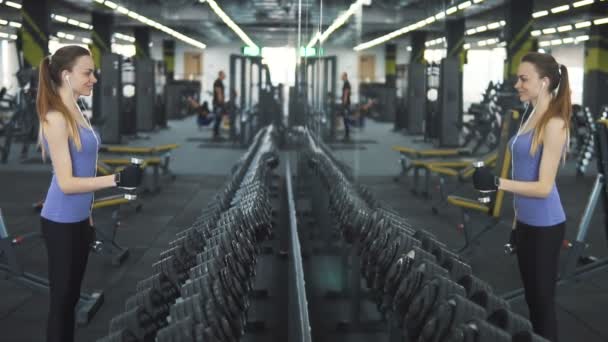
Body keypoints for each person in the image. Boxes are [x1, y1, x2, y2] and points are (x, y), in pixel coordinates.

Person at [36, 45, 143, 342]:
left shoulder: (78, 110)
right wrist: (117, 179)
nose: (94, 78)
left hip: (79, 220)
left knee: (70, 301)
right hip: (59, 221)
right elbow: (67, 182)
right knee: (62, 303)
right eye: (88, 72)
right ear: (66, 75)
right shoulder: (56, 117)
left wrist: (88, 218)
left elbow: (84, 169)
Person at [472, 52, 571, 342]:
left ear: (544, 82)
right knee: (532, 301)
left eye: (523, 79)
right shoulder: (529, 114)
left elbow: (542, 187)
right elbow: (523, 174)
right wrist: (516, 226)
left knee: (542, 306)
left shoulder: (554, 123)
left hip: (546, 225)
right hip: (527, 223)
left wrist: (496, 182)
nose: (517, 84)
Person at [212, 71, 226, 140]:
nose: (225, 76)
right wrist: (221, 103)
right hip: (218, 104)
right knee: (217, 119)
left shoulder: (220, 82)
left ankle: (216, 134)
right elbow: (219, 93)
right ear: (220, 75)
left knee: (219, 119)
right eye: (224, 75)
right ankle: (215, 134)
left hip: (218, 104)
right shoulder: (218, 82)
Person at [341, 72, 351, 140]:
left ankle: (347, 135)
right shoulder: (346, 83)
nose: (341, 77)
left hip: (346, 104)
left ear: (345, 76)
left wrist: (344, 103)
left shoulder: (346, 83)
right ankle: (346, 134)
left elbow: (346, 93)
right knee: (345, 119)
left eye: (342, 76)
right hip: (346, 104)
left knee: (346, 119)